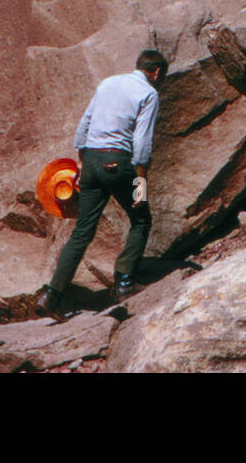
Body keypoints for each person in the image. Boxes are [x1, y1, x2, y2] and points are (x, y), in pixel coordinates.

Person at [37, 49, 168, 320]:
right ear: (156, 72)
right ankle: (124, 283)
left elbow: (83, 127)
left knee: (82, 231)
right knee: (141, 219)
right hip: (117, 162)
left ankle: (52, 295)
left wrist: (83, 162)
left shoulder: (107, 83)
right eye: (161, 76)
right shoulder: (149, 94)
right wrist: (140, 183)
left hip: (92, 162)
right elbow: (142, 142)